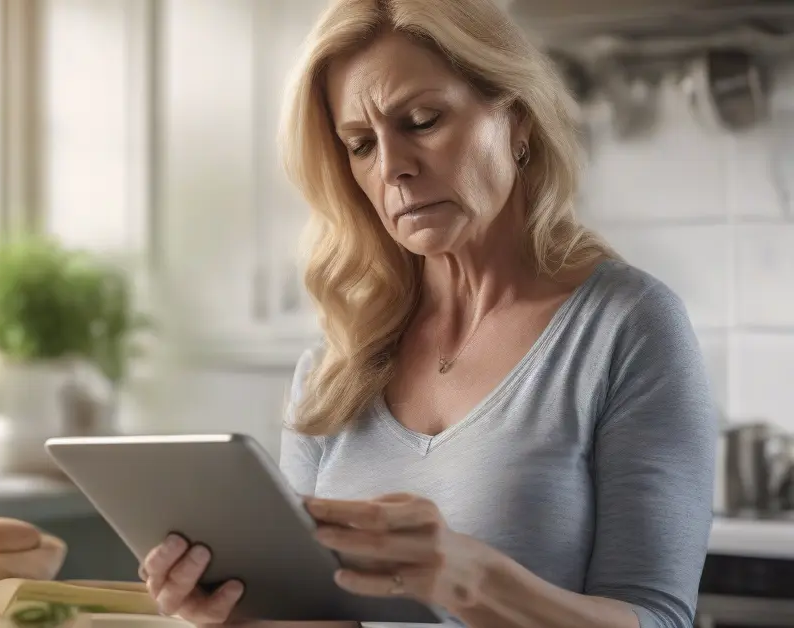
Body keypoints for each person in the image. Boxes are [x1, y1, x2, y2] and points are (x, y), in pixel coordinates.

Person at [139, 0, 716, 626]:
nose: (393, 169)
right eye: (360, 145)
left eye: (421, 120)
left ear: (516, 119)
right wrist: (236, 615)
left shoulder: (627, 327)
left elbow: (660, 618)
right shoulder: (335, 367)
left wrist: (472, 580)